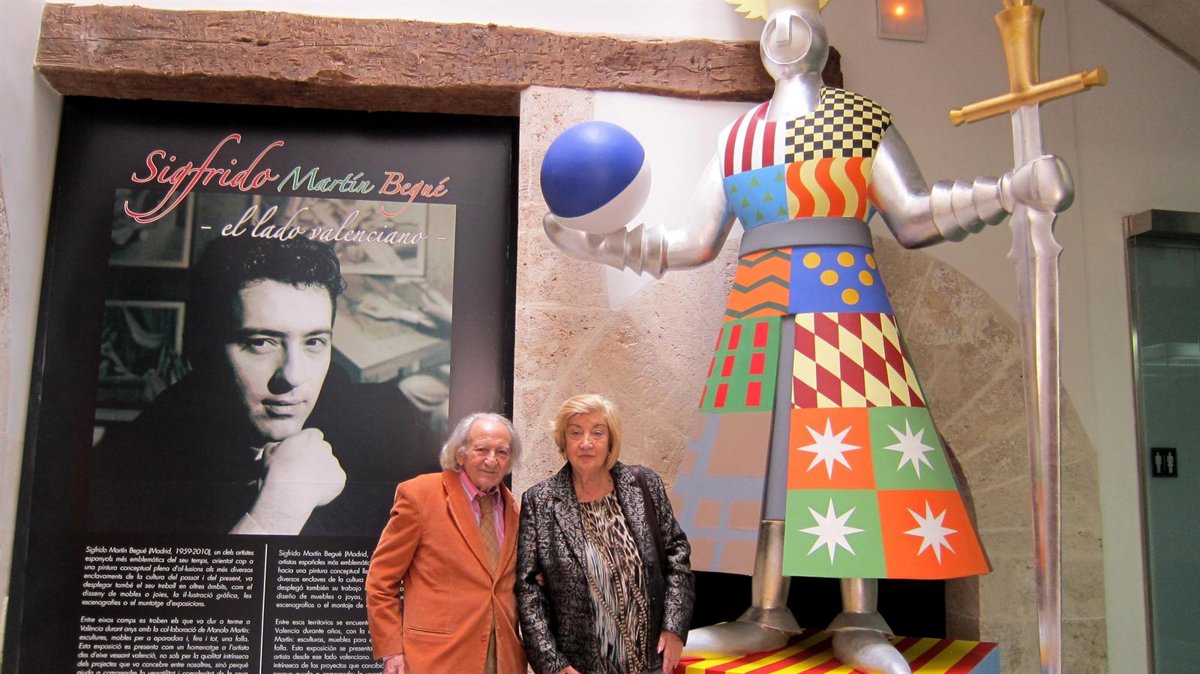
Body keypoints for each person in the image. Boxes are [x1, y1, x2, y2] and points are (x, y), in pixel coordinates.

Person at [542, 2, 1074, 672]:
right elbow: (695, 241)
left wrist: (1007, 190)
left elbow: (912, 215)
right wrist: (602, 245)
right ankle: (765, 611)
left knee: (857, 453)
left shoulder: (862, 121)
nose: (785, 24)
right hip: (759, 311)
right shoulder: (738, 139)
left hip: (846, 305)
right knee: (761, 461)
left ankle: (861, 613)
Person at [89, 234, 439, 536]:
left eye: (314, 342)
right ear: (199, 346)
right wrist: (276, 513)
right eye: (260, 342)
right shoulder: (132, 462)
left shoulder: (392, 425)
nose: (293, 376)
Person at [517, 394, 694, 674]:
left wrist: (674, 628)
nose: (586, 442)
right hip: (580, 666)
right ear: (563, 441)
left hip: (650, 662)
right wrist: (553, 664)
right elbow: (529, 592)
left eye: (597, 432)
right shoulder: (540, 502)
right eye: (575, 432)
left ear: (611, 440)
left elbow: (677, 556)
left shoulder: (644, 485)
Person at [365, 413, 527, 674]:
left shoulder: (515, 511)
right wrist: (392, 650)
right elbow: (381, 581)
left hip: (502, 662)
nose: (491, 460)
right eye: (481, 449)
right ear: (460, 454)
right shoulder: (420, 496)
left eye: (501, 452)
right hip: (436, 661)